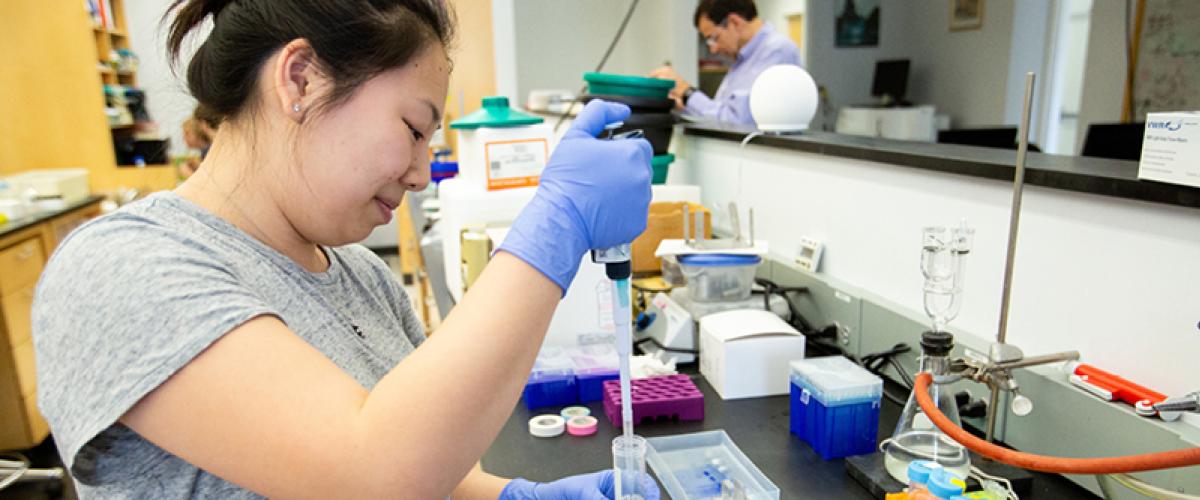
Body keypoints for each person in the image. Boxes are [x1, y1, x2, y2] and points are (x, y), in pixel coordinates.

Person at [32, 1, 658, 498]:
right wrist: (556, 223)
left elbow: (430, 469)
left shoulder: (361, 274)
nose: (421, 175)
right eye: (413, 129)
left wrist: (509, 496)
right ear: (300, 79)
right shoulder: (120, 269)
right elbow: (373, 476)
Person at [650, 0, 803, 127]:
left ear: (734, 22)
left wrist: (687, 93)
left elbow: (738, 122)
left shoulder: (778, 51)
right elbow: (719, 116)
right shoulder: (742, 58)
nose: (714, 49)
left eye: (714, 38)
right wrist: (683, 106)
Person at [179, 106, 215, 178]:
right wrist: (198, 167)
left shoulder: (210, 150)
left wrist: (188, 173)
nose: (183, 138)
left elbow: (209, 182)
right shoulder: (204, 151)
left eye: (187, 133)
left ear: (198, 132)